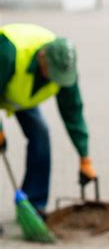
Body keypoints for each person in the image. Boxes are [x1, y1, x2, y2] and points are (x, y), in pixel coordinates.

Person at [0, 23, 97, 217]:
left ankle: (34, 204)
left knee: (41, 134)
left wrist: (84, 156)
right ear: (42, 57)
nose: (55, 80)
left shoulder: (63, 68)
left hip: (19, 97)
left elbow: (73, 112)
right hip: (4, 76)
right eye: (52, 74)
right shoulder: (8, 53)